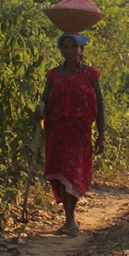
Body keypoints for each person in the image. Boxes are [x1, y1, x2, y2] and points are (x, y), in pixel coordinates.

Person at [37, 33, 105, 237]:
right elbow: (45, 99)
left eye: (72, 46)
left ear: (81, 50)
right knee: (59, 173)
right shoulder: (53, 75)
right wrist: (40, 110)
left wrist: (101, 133)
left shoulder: (91, 76)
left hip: (79, 131)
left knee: (72, 171)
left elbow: (99, 105)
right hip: (56, 131)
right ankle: (68, 218)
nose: (68, 50)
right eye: (64, 46)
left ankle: (70, 219)